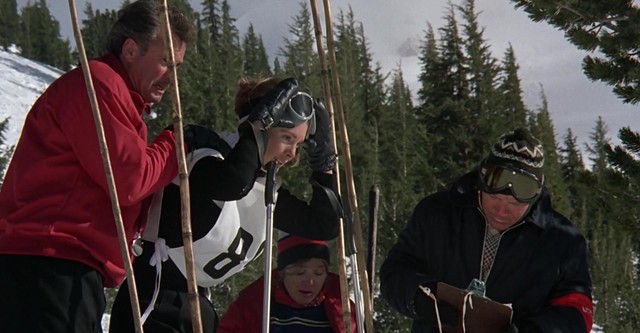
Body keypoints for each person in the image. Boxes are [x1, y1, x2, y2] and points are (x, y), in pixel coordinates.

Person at [0, 1, 201, 332]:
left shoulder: (115, 96)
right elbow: (129, 178)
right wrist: (178, 143)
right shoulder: (99, 86)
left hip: (55, 265)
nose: (171, 79)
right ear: (131, 50)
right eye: (166, 63)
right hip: (49, 264)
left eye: (178, 68)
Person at [108, 77, 341, 333]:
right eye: (287, 138)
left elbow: (323, 225)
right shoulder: (206, 156)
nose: (292, 154)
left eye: (299, 144)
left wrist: (324, 166)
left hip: (195, 307)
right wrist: (255, 130)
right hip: (153, 301)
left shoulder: (262, 186)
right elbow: (232, 183)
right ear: (259, 128)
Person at [380, 128, 594, 333]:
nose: (501, 210)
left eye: (514, 204)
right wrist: (417, 298)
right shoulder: (437, 214)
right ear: (480, 183)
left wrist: (534, 330)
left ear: (535, 195)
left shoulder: (563, 241)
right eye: (494, 197)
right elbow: (396, 270)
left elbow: (577, 309)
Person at [217, 233, 357, 332]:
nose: (310, 281)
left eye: (319, 273)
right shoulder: (253, 305)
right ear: (282, 273)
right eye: (299, 272)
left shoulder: (342, 307)